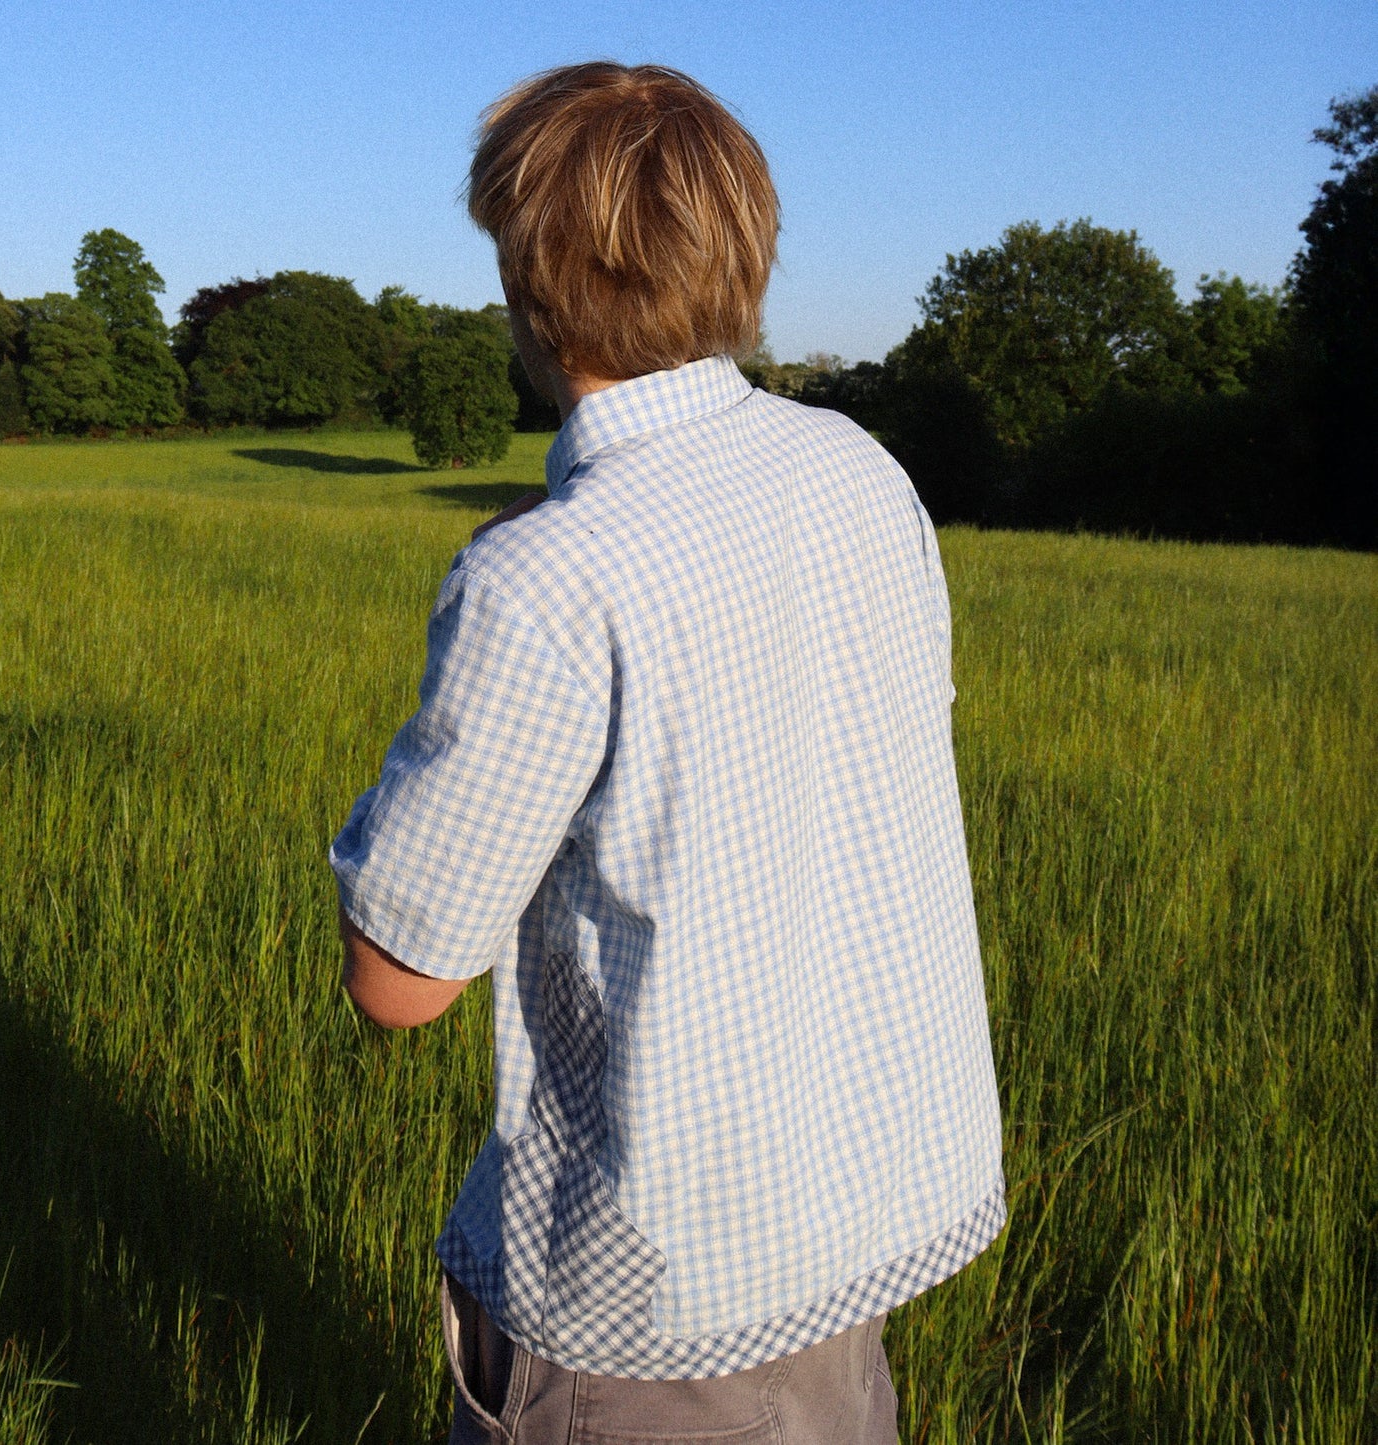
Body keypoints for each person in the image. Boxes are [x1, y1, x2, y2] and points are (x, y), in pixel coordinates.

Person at [331, 61, 1005, 1444]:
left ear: (528, 282)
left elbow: (396, 983)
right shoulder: (860, 472)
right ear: (742, 259)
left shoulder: (542, 580)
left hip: (646, 1303)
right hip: (851, 1229)